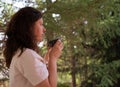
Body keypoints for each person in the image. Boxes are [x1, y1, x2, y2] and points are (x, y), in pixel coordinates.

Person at [3, 7, 63, 87]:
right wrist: (53, 59)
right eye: (40, 24)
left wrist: (46, 59)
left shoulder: (21, 53)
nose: (44, 29)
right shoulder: (26, 55)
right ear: (29, 27)